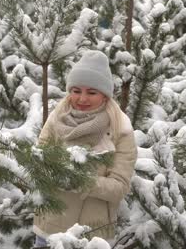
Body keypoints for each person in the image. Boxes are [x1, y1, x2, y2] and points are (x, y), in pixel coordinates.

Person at [32, 50, 137, 247]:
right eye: (76, 91)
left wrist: (82, 182)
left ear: (105, 95)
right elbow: (39, 161)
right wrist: (54, 173)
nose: (82, 99)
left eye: (91, 92)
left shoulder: (120, 129)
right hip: (49, 228)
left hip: (92, 236)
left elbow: (119, 187)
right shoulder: (57, 118)